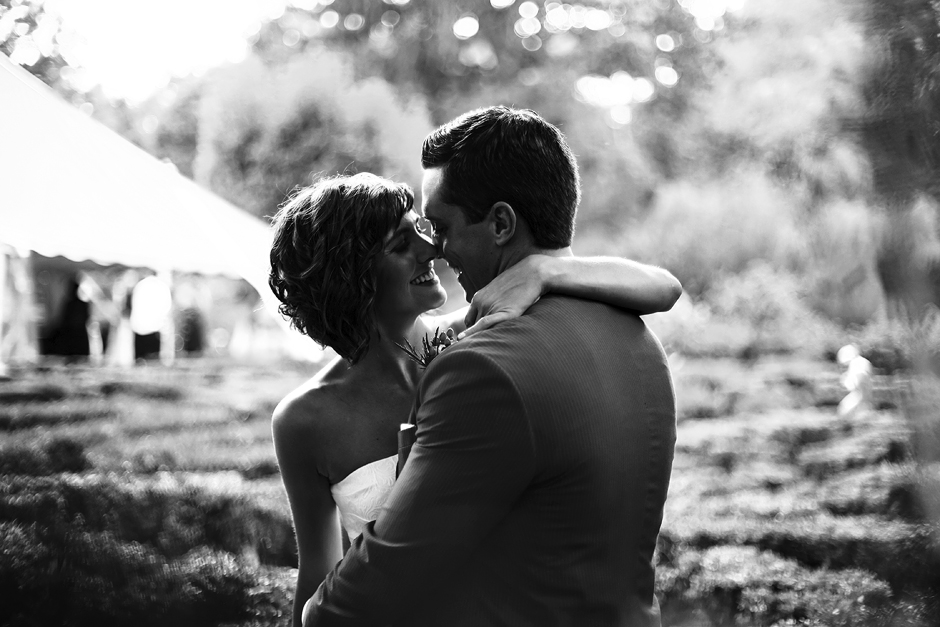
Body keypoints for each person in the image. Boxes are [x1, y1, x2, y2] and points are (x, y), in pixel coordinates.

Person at [300, 107, 678, 627]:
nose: (437, 245)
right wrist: (548, 268)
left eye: (443, 225)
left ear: (500, 223)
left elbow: (378, 584)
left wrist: (317, 615)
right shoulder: (634, 332)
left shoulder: (479, 369)